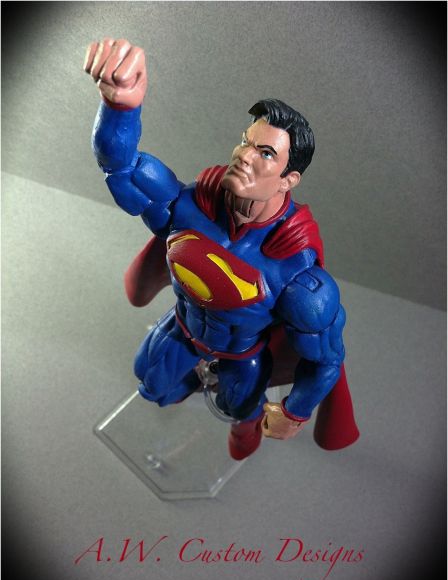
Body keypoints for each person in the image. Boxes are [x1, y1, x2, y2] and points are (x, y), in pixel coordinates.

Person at [84, 38, 359, 460]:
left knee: (239, 411)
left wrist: (295, 411)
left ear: (289, 179)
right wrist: (121, 106)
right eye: (246, 141)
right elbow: (121, 168)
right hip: (186, 328)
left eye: (265, 153)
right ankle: (195, 385)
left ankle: (243, 428)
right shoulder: (187, 209)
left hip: (242, 355)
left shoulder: (296, 275)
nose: (245, 155)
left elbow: (326, 359)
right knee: (151, 383)